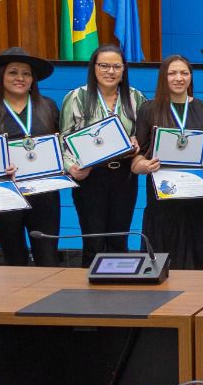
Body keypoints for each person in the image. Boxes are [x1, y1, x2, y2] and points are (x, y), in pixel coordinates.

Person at [0, 47, 61, 266]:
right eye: (13, 72)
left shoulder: (48, 106)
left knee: (48, 256)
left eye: (26, 73)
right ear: (0, 76)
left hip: (44, 193)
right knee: (13, 257)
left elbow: (61, 144)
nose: (20, 78)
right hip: (5, 193)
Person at [61, 44, 145, 259]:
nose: (110, 71)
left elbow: (143, 139)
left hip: (123, 177)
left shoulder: (136, 98)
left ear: (124, 69)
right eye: (104, 66)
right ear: (94, 68)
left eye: (116, 66)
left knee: (119, 238)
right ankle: (90, 291)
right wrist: (71, 167)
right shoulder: (76, 97)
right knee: (93, 240)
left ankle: (120, 288)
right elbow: (64, 141)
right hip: (90, 177)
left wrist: (138, 145)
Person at [133, 55, 203, 269]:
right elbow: (137, 158)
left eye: (184, 73)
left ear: (191, 77)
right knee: (162, 260)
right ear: (163, 77)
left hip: (195, 197)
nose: (179, 78)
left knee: (198, 260)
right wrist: (143, 165)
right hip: (162, 199)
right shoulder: (149, 109)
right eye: (172, 73)